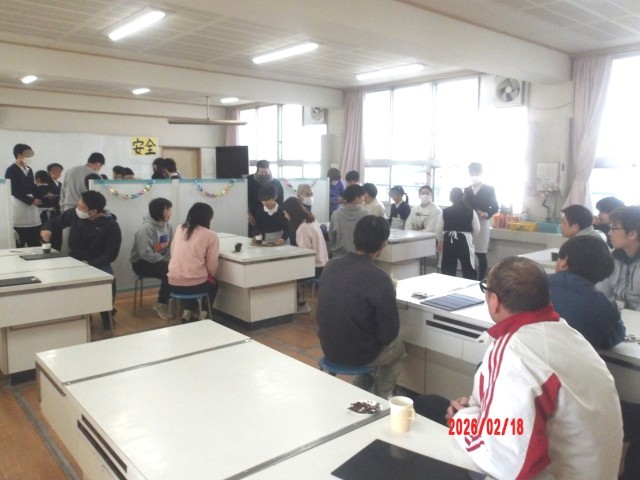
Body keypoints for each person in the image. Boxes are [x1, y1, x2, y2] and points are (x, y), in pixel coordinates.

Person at [416, 257, 623, 479]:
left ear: (494, 301)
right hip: (594, 469)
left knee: (428, 411)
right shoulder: (570, 336)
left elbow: (506, 459)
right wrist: (481, 409)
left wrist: (461, 419)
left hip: (541, 471)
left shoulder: (514, 351)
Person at [317, 216, 406, 399]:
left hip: (329, 347)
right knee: (398, 349)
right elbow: (389, 333)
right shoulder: (380, 278)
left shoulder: (331, 266)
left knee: (361, 334)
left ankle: (361, 388)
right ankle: (381, 397)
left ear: (355, 238)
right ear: (383, 245)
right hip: (358, 354)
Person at [41, 190, 121, 329]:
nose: (78, 209)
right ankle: (83, 314)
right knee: (68, 283)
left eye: (81, 208)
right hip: (75, 259)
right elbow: (56, 222)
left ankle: (106, 314)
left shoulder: (110, 225)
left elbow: (111, 254)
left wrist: (90, 264)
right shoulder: (74, 214)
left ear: (94, 211)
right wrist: (47, 228)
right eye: (78, 206)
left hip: (97, 261)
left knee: (108, 281)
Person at [549, 235, 625, 349]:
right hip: (572, 359)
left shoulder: (535, 285)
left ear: (564, 262)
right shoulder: (604, 306)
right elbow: (613, 339)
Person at [168, 202, 219, 322]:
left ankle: (187, 312)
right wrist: (210, 274)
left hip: (173, 283)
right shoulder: (211, 235)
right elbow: (212, 264)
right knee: (213, 283)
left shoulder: (180, 228)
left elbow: (172, 251)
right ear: (208, 218)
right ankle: (204, 314)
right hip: (195, 285)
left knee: (192, 278)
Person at [282, 196, 329, 314]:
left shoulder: (302, 228)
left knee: (283, 274)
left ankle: (300, 303)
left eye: (285, 213)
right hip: (323, 263)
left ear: (291, 212)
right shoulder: (312, 221)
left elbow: (305, 254)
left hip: (314, 267)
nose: (285, 216)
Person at [130, 198, 175, 320]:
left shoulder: (168, 226)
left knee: (176, 268)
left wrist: (169, 259)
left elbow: (171, 247)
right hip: (141, 263)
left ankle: (173, 300)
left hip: (161, 261)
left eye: (170, 210)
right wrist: (165, 260)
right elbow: (145, 253)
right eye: (168, 210)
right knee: (169, 270)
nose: (170, 213)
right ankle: (161, 303)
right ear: (159, 211)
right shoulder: (146, 228)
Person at [597, 206, 640, 310]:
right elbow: (600, 294)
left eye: (614, 228)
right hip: (617, 313)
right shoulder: (611, 257)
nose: (609, 233)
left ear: (632, 234)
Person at [463, 162, 499, 281]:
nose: (474, 175)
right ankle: (469, 277)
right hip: (468, 223)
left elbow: (495, 207)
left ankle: (481, 279)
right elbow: (463, 205)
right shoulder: (467, 190)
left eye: (476, 173)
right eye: (471, 173)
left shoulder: (489, 189)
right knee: (468, 252)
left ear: (481, 173)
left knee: (481, 253)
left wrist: (486, 213)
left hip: (482, 222)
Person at [436, 187, 479, 279]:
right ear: (462, 196)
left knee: (448, 269)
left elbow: (438, 228)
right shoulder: (471, 211)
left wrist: (440, 240)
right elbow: (477, 228)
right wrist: (471, 237)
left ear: (450, 198)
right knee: (468, 267)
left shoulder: (445, 211)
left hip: (448, 240)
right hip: (465, 239)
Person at [5, 143, 42, 247]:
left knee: (34, 240)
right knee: (20, 241)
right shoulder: (11, 170)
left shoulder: (29, 170)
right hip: (19, 205)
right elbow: (13, 190)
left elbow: (32, 187)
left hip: (31, 207)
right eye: (27, 155)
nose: (29, 158)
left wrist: (39, 198)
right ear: (19, 155)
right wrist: (31, 200)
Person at [329, 184, 370, 258]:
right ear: (356, 198)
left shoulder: (336, 214)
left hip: (339, 256)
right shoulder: (366, 214)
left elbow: (332, 238)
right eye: (362, 196)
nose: (363, 199)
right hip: (360, 257)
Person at [247, 160, 284, 236]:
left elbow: (280, 201)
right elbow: (245, 199)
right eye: (261, 173)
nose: (264, 174)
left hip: (272, 215)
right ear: (257, 171)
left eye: (266, 172)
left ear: (269, 170)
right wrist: (248, 213)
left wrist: (279, 215)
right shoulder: (249, 181)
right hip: (254, 214)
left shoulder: (276, 182)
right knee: (255, 236)